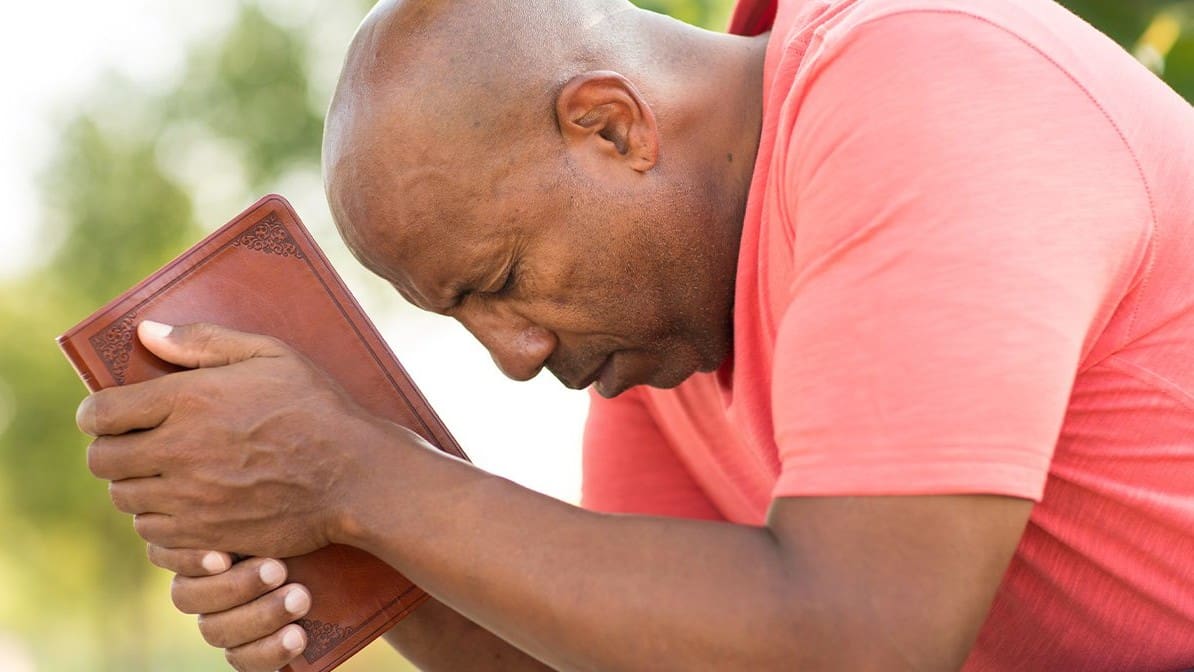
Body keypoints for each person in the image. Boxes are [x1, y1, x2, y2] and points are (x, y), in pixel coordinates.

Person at [75, 0, 1194, 669]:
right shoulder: (667, 332)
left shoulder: (924, 85)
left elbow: (858, 642)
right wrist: (350, 548)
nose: (515, 357)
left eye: (502, 282)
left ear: (612, 126)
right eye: (464, 318)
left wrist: (360, 475)